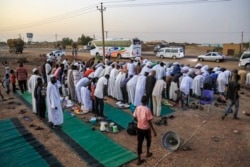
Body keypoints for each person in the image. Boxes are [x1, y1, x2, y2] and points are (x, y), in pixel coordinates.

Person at [133, 95, 156, 165]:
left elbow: (134, 117)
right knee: (148, 140)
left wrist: (139, 121)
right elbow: (149, 121)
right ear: (147, 101)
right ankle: (148, 152)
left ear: (141, 101)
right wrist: (154, 131)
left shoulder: (138, 108)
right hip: (146, 129)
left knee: (139, 143)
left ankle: (139, 159)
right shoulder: (147, 109)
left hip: (139, 128)